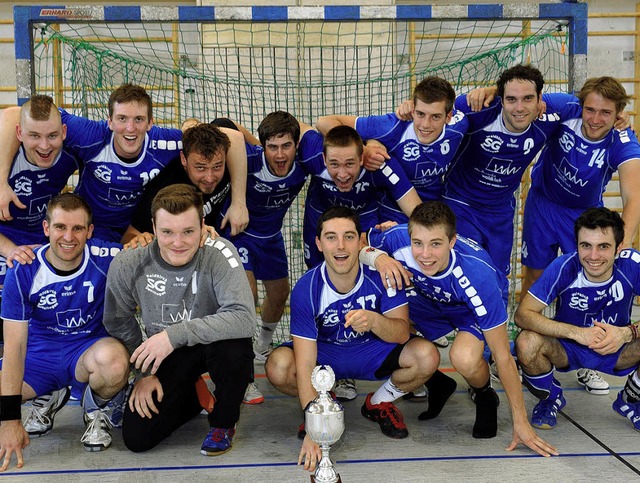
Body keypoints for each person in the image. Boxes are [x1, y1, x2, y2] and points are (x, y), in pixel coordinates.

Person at [363, 201, 557, 457]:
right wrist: (378, 257)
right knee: (376, 311)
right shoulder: (397, 237)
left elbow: (503, 358)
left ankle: (484, 394)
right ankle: (436, 381)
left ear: (452, 241)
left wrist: (520, 423)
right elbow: (360, 244)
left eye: (436, 244)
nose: (425, 254)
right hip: (428, 300)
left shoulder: (478, 276)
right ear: (408, 236)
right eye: (418, 243)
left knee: (463, 358)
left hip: (468, 307)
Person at [265, 206, 439, 474]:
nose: (341, 245)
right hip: (327, 358)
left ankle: (378, 403)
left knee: (427, 356)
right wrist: (315, 425)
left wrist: (374, 321)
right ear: (319, 243)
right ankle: (325, 403)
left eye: (348, 236)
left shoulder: (383, 275)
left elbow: (402, 333)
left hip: (372, 352)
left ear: (361, 242)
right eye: (331, 237)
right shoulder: (307, 288)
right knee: (278, 366)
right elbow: (306, 358)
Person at [102, 184, 255, 456]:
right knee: (137, 438)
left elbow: (244, 318)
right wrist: (144, 373)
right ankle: (192, 396)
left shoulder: (219, 251)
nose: (178, 242)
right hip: (166, 354)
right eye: (167, 232)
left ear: (202, 226)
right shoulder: (128, 262)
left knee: (235, 349)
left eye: (188, 231)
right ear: (152, 227)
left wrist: (173, 335)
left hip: (210, 343)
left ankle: (223, 423)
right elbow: (118, 321)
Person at [0, 84, 249, 242]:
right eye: (122, 119)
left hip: (137, 229)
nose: (130, 129)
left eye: (139, 119)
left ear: (150, 122)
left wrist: (239, 203)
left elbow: (235, 138)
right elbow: (13, 115)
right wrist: (1, 184)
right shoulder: (91, 135)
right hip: (92, 229)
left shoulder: (164, 142)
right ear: (109, 120)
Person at [0, 193, 130, 471]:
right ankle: (48, 393)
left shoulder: (106, 258)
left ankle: (97, 408)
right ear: (46, 228)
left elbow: (159, 253)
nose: (68, 237)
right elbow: (14, 348)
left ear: (90, 231)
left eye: (77, 228)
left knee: (115, 360)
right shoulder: (23, 268)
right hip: (39, 358)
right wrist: (10, 420)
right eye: (60, 227)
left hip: (86, 352)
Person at [515, 207, 640, 431]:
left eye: (603, 246)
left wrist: (626, 333)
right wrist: (577, 333)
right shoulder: (564, 266)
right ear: (577, 245)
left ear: (619, 248)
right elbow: (523, 315)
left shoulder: (632, 265)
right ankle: (550, 399)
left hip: (617, 348)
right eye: (586, 246)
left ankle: (631, 400)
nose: (593, 256)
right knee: (526, 342)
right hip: (568, 347)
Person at [217, 112, 311, 366]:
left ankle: (262, 346)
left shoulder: (305, 163)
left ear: (296, 145)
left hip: (271, 237)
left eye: (286, 146)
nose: (279, 155)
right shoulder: (247, 159)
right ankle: (243, 363)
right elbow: (225, 127)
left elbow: (320, 133)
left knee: (280, 295)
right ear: (262, 146)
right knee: (247, 297)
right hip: (238, 235)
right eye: (272, 147)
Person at [317, 76, 468, 223]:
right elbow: (324, 122)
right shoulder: (392, 126)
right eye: (420, 114)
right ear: (413, 110)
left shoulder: (459, 126)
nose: (425, 124)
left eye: (435, 117)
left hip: (438, 207)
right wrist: (364, 150)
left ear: (448, 117)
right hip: (394, 214)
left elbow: (480, 104)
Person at [0, 95, 82, 350]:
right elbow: (11, 113)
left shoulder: (72, 153)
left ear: (64, 132)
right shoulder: (7, 159)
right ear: (19, 134)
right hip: (6, 242)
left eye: (52, 136)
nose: (45, 146)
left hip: (43, 241)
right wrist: (9, 250)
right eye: (34, 136)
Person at [298, 125, 422, 269]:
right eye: (334, 164)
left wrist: (398, 231)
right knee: (316, 268)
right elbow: (298, 126)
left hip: (363, 218)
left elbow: (418, 212)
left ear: (362, 158)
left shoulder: (379, 164)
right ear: (324, 159)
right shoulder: (311, 154)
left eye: (350, 164)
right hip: (319, 216)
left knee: (366, 267)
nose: (342, 174)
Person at [121, 120, 250, 245]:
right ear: (184, 159)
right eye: (200, 168)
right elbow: (128, 237)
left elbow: (239, 135)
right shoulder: (163, 190)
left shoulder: (230, 156)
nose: (209, 178)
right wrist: (147, 241)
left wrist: (239, 204)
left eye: (217, 167)